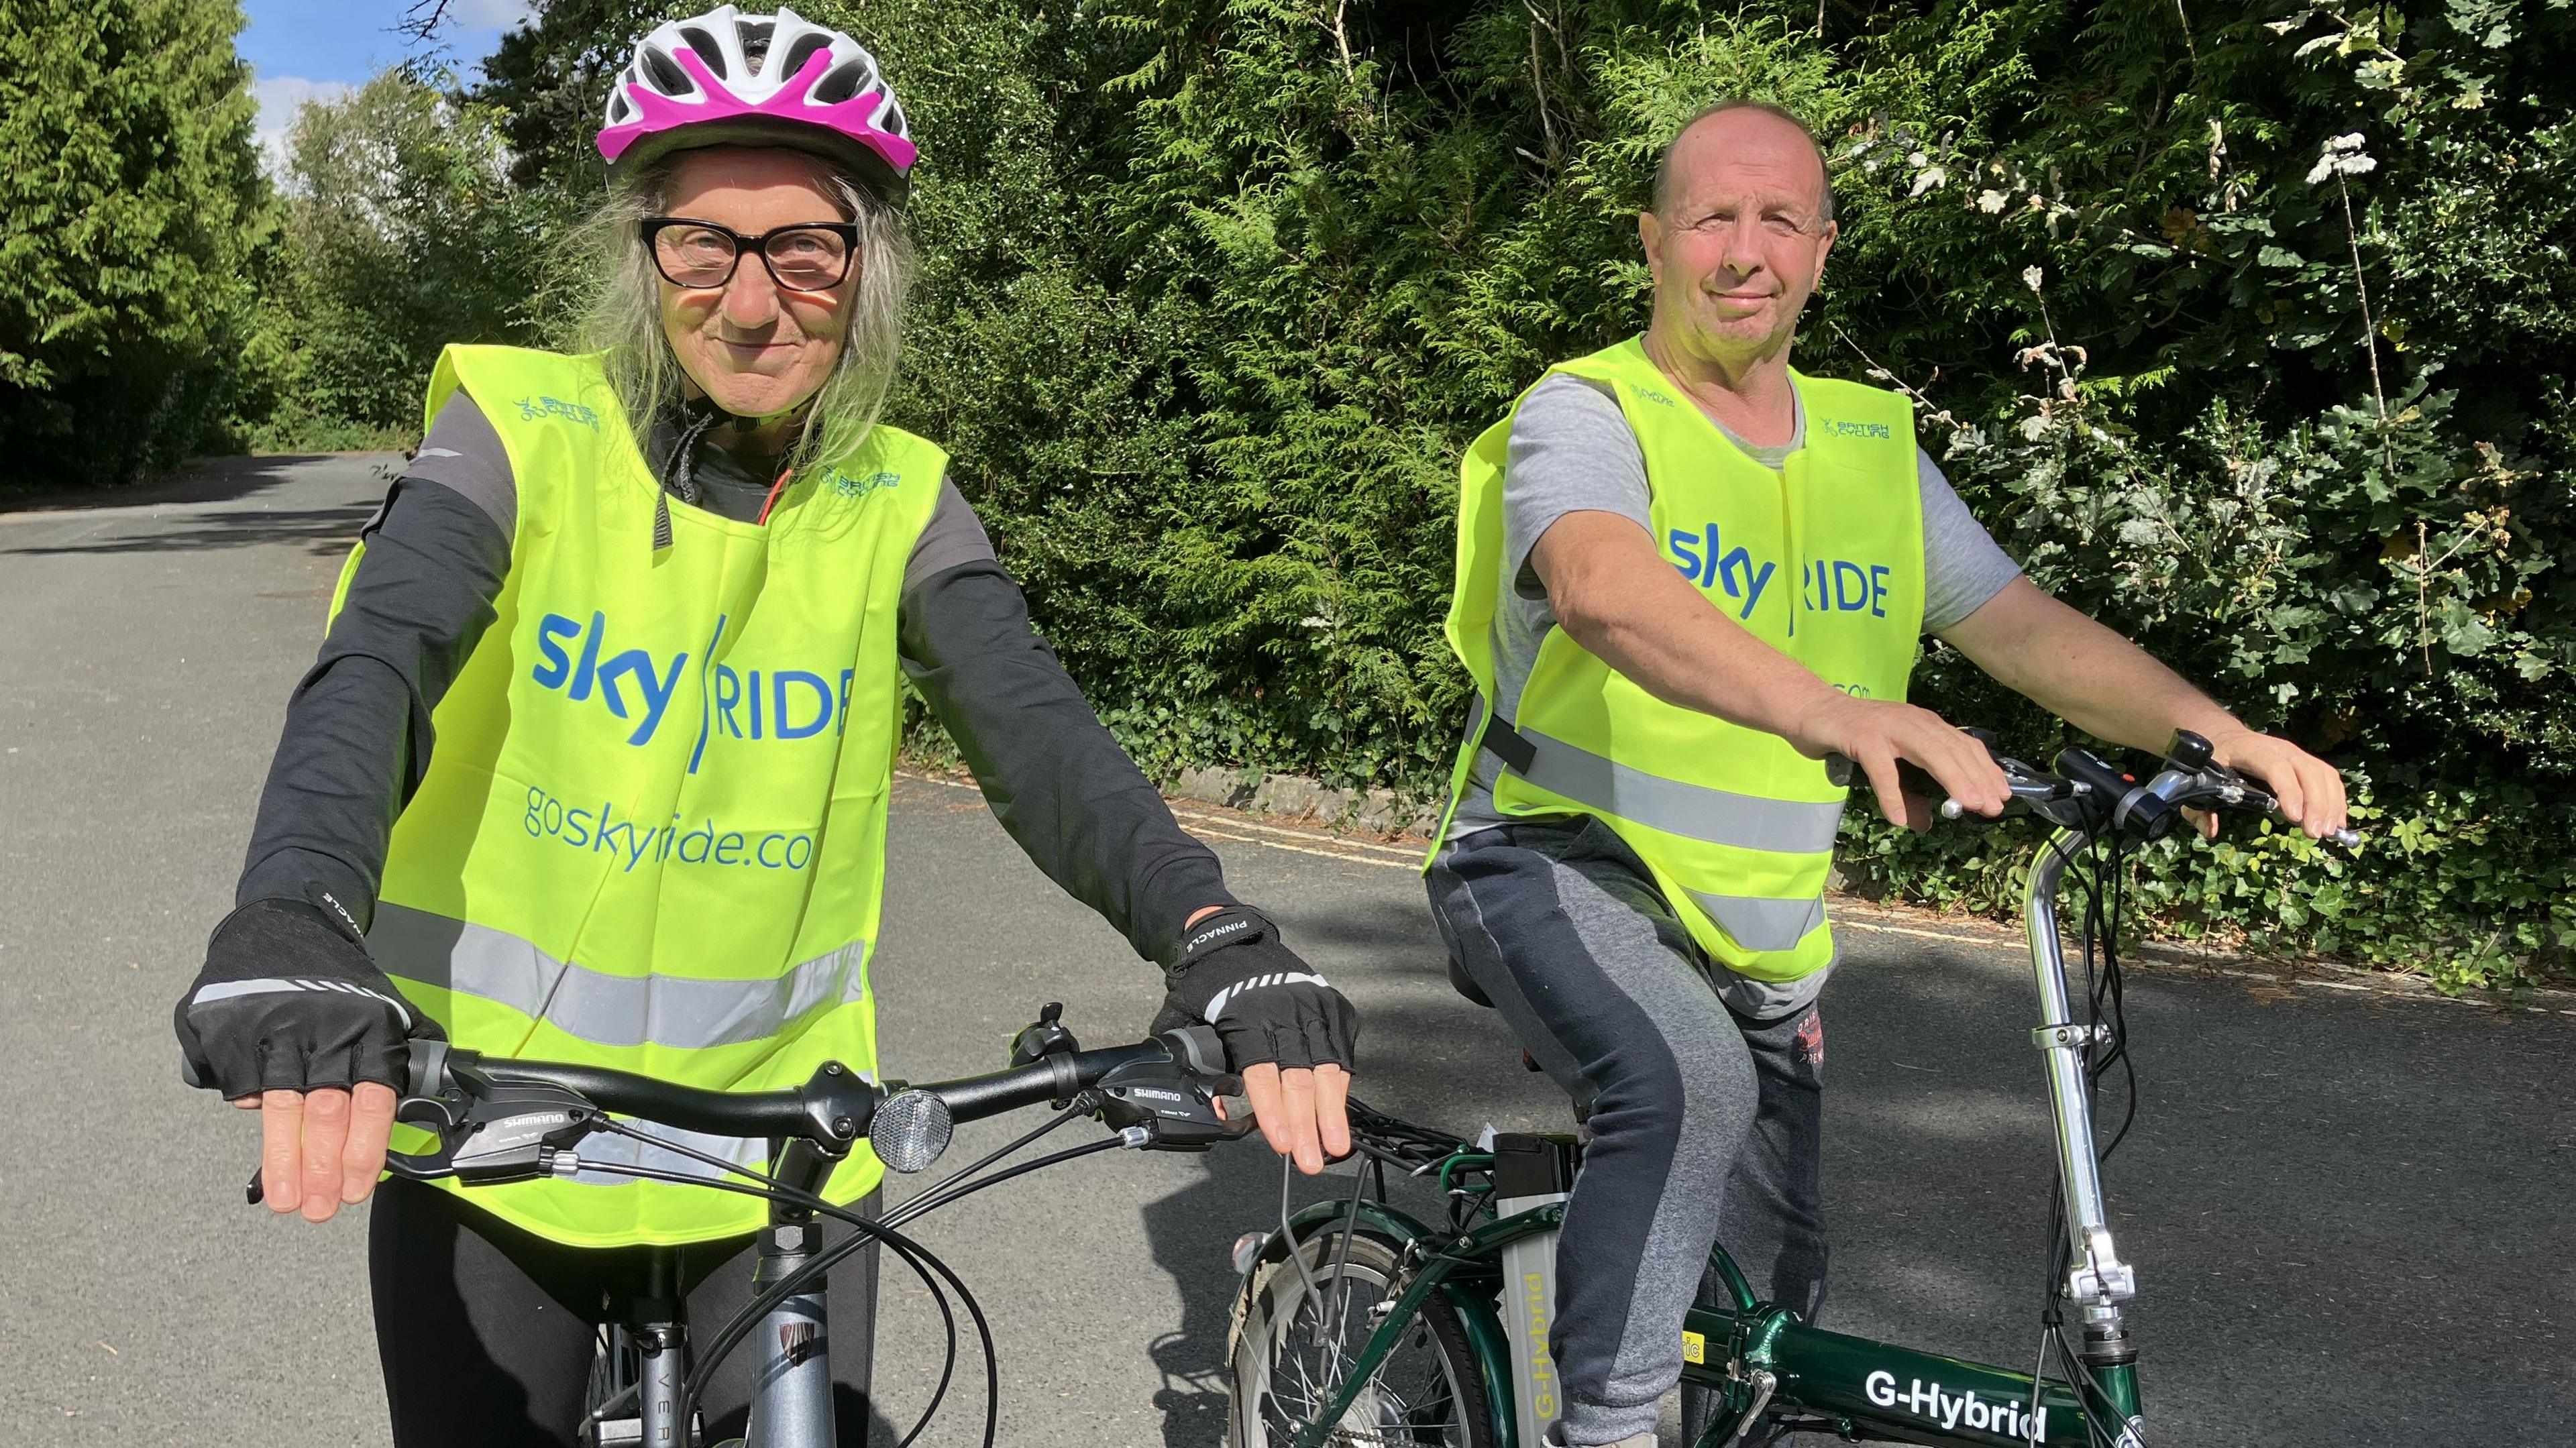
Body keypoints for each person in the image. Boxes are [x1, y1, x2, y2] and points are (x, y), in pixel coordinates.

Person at [170, 8, 1356, 1443]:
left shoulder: (896, 496)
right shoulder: (523, 430)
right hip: (495, 1130)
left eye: (807, 249)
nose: (753, 302)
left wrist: (1214, 932)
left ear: (865, 276)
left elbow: (1042, 737)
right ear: (640, 254)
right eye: (703, 245)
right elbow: (380, 661)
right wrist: (296, 907)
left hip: (779, 1154)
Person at [1421, 100, 2349, 1448]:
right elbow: (1603, 589)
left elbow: (2021, 627)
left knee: (1771, 1322)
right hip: (1550, 863)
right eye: (1714, 217)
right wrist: (1833, 709)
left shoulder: (1869, 444)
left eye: (1780, 219)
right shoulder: (1588, 410)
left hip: (1758, 925)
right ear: (1654, 240)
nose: (1747, 251)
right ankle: (1603, 1429)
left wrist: (2220, 737)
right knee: (1686, 1092)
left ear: (1824, 250)